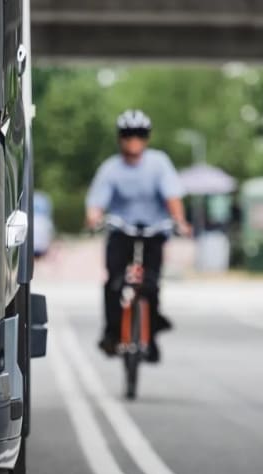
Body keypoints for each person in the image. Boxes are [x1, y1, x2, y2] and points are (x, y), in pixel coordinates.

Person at [85, 109, 192, 362]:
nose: (133, 139)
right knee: (114, 282)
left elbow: (172, 197)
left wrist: (180, 222)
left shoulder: (159, 163)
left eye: (139, 134)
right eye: (128, 134)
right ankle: (112, 334)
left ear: (147, 137)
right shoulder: (111, 168)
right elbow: (96, 202)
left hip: (154, 230)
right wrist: (93, 218)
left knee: (152, 284)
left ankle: (151, 335)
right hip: (122, 230)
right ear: (120, 138)